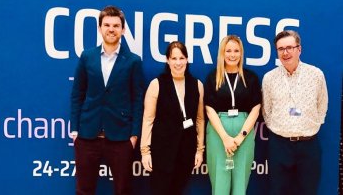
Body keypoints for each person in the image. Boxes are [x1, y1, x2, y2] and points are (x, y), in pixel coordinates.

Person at [70, 5, 144, 195]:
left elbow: (138, 100)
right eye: (107, 25)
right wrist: (75, 129)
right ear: (99, 28)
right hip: (87, 135)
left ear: (123, 29)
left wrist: (134, 135)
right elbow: (77, 93)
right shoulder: (87, 57)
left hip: (120, 137)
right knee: (84, 190)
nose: (111, 29)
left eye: (116, 25)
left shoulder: (133, 61)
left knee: (123, 190)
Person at [262, 30, 328, 195]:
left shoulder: (316, 75)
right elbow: (266, 110)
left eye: (290, 47)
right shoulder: (269, 78)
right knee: (277, 190)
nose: (285, 52)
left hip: (308, 145)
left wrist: (309, 125)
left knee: (308, 191)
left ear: (299, 49)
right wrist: (280, 126)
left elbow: (322, 105)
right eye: (281, 49)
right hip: (279, 145)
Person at [140, 41, 205, 195]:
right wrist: (145, 152)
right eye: (174, 58)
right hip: (162, 152)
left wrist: (199, 150)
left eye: (181, 58)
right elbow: (148, 119)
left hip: (186, 151)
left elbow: (200, 120)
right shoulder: (157, 84)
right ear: (167, 60)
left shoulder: (197, 85)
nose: (178, 63)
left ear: (187, 60)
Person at [204, 35, 261, 195]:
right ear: (222, 53)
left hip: (244, 132)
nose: (232, 54)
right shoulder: (212, 77)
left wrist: (240, 137)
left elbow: (256, 109)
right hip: (218, 132)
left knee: (240, 183)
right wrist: (225, 138)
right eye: (228, 50)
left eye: (236, 51)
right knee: (220, 184)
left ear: (241, 53)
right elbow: (209, 109)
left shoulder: (251, 78)